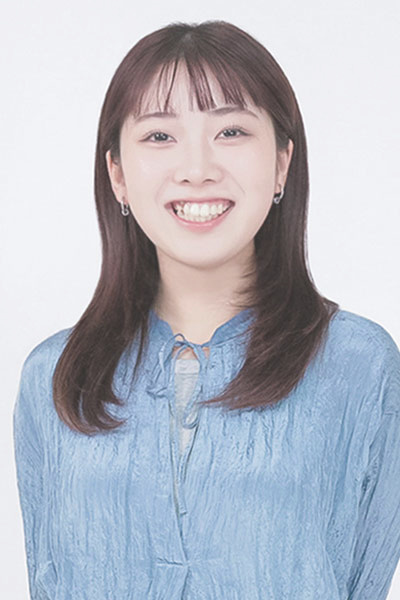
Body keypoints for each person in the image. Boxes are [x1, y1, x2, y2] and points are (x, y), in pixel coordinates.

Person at [13, 20, 400, 600]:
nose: (196, 169)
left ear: (282, 163)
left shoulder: (361, 365)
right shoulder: (55, 375)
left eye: (231, 131)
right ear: (117, 174)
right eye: (159, 136)